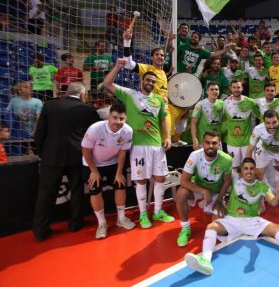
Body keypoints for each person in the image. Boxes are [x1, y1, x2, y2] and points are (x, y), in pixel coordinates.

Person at [184, 157, 279, 276]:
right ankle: (206, 261)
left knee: (276, 228)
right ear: (241, 170)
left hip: (252, 220)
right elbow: (221, 171)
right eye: (246, 168)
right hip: (232, 219)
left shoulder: (261, 186)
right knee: (211, 227)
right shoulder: (234, 179)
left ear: (255, 170)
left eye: (252, 168)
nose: (249, 171)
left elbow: (274, 202)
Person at [103, 58, 174, 229]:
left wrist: (168, 137)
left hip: (157, 145)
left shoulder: (159, 100)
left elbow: (163, 119)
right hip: (138, 146)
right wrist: (118, 66)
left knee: (160, 178)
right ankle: (143, 214)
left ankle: (157, 210)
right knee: (141, 181)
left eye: (153, 81)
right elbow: (107, 83)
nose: (150, 83)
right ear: (142, 80)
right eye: (148, 80)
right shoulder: (129, 94)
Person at [33, 82, 100, 241]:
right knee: (77, 190)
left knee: (45, 195)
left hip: (51, 156)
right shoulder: (88, 110)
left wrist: (43, 153)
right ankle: (75, 224)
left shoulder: (49, 106)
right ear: (83, 94)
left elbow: (39, 133)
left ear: (65, 93)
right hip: (77, 156)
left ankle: (40, 231)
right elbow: (95, 135)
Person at [81, 102, 135, 239]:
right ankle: (102, 223)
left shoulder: (128, 131)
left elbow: (122, 153)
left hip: (112, 162)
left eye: (121, 119)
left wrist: (118, 173)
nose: (117, 122)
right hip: (92, 164)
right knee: (96, 191)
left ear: (126, 119)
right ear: (109, 117)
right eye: (115, 118)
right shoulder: (95, 129)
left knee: (121, 185)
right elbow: (86, 150)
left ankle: (121, 219)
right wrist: (94, 171)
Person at [175, 131, 232, 247]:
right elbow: (184, 181)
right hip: (199, 190)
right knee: (181, 193)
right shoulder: (194, 156)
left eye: (214, 143)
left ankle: (209, 210)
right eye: (207, 143)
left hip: (216, 193)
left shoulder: (226, 159)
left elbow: (227, 182)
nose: (210, 146)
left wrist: (220, 200)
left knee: (221, 230)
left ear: (219, 144)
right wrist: (204, 191)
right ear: (202, 143)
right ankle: (185, 228)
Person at [245, 110, 279, 220]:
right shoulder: (258, 129)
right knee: (258, 175)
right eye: (268, 123)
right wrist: (247, 168)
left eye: (274, 122)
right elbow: (250, 149)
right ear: (263, 122)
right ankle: (261, 205)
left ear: (278, 120)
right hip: (266, 151)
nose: (271, 126)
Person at [222, 79, 258, 170]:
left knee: (248, 167)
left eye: (238, 87)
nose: (236, 89)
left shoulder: (250, 102)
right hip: (232, 142)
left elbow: (260, 116)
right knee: (234, 169)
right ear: (230, 88)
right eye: (234, 87)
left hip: (247, 142)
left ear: (242, 88)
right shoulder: (225, 103)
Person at [190, 82, 224, 150]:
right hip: (203, 142)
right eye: (212, 89)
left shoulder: (222, 104)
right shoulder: (200, 105)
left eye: (216, 89)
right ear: (207, 91)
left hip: (217, 141)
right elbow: (193, 123)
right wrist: (194, 140)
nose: (214, 91)